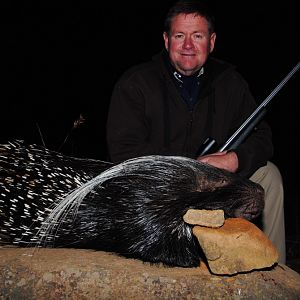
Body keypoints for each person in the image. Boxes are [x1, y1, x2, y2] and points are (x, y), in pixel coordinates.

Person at [106, 0, 286, 264]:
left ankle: (273, 270)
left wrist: (233, 160)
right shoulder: (136, 83)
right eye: (180, 36)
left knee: (270, 175)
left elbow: (263, 138)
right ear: (166, 40)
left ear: (211, 41)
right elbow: (123, 153)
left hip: (218, 185)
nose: (188, 45)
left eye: (197, 36)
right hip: (160, 189)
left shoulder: (231, 82)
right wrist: (188, 170)